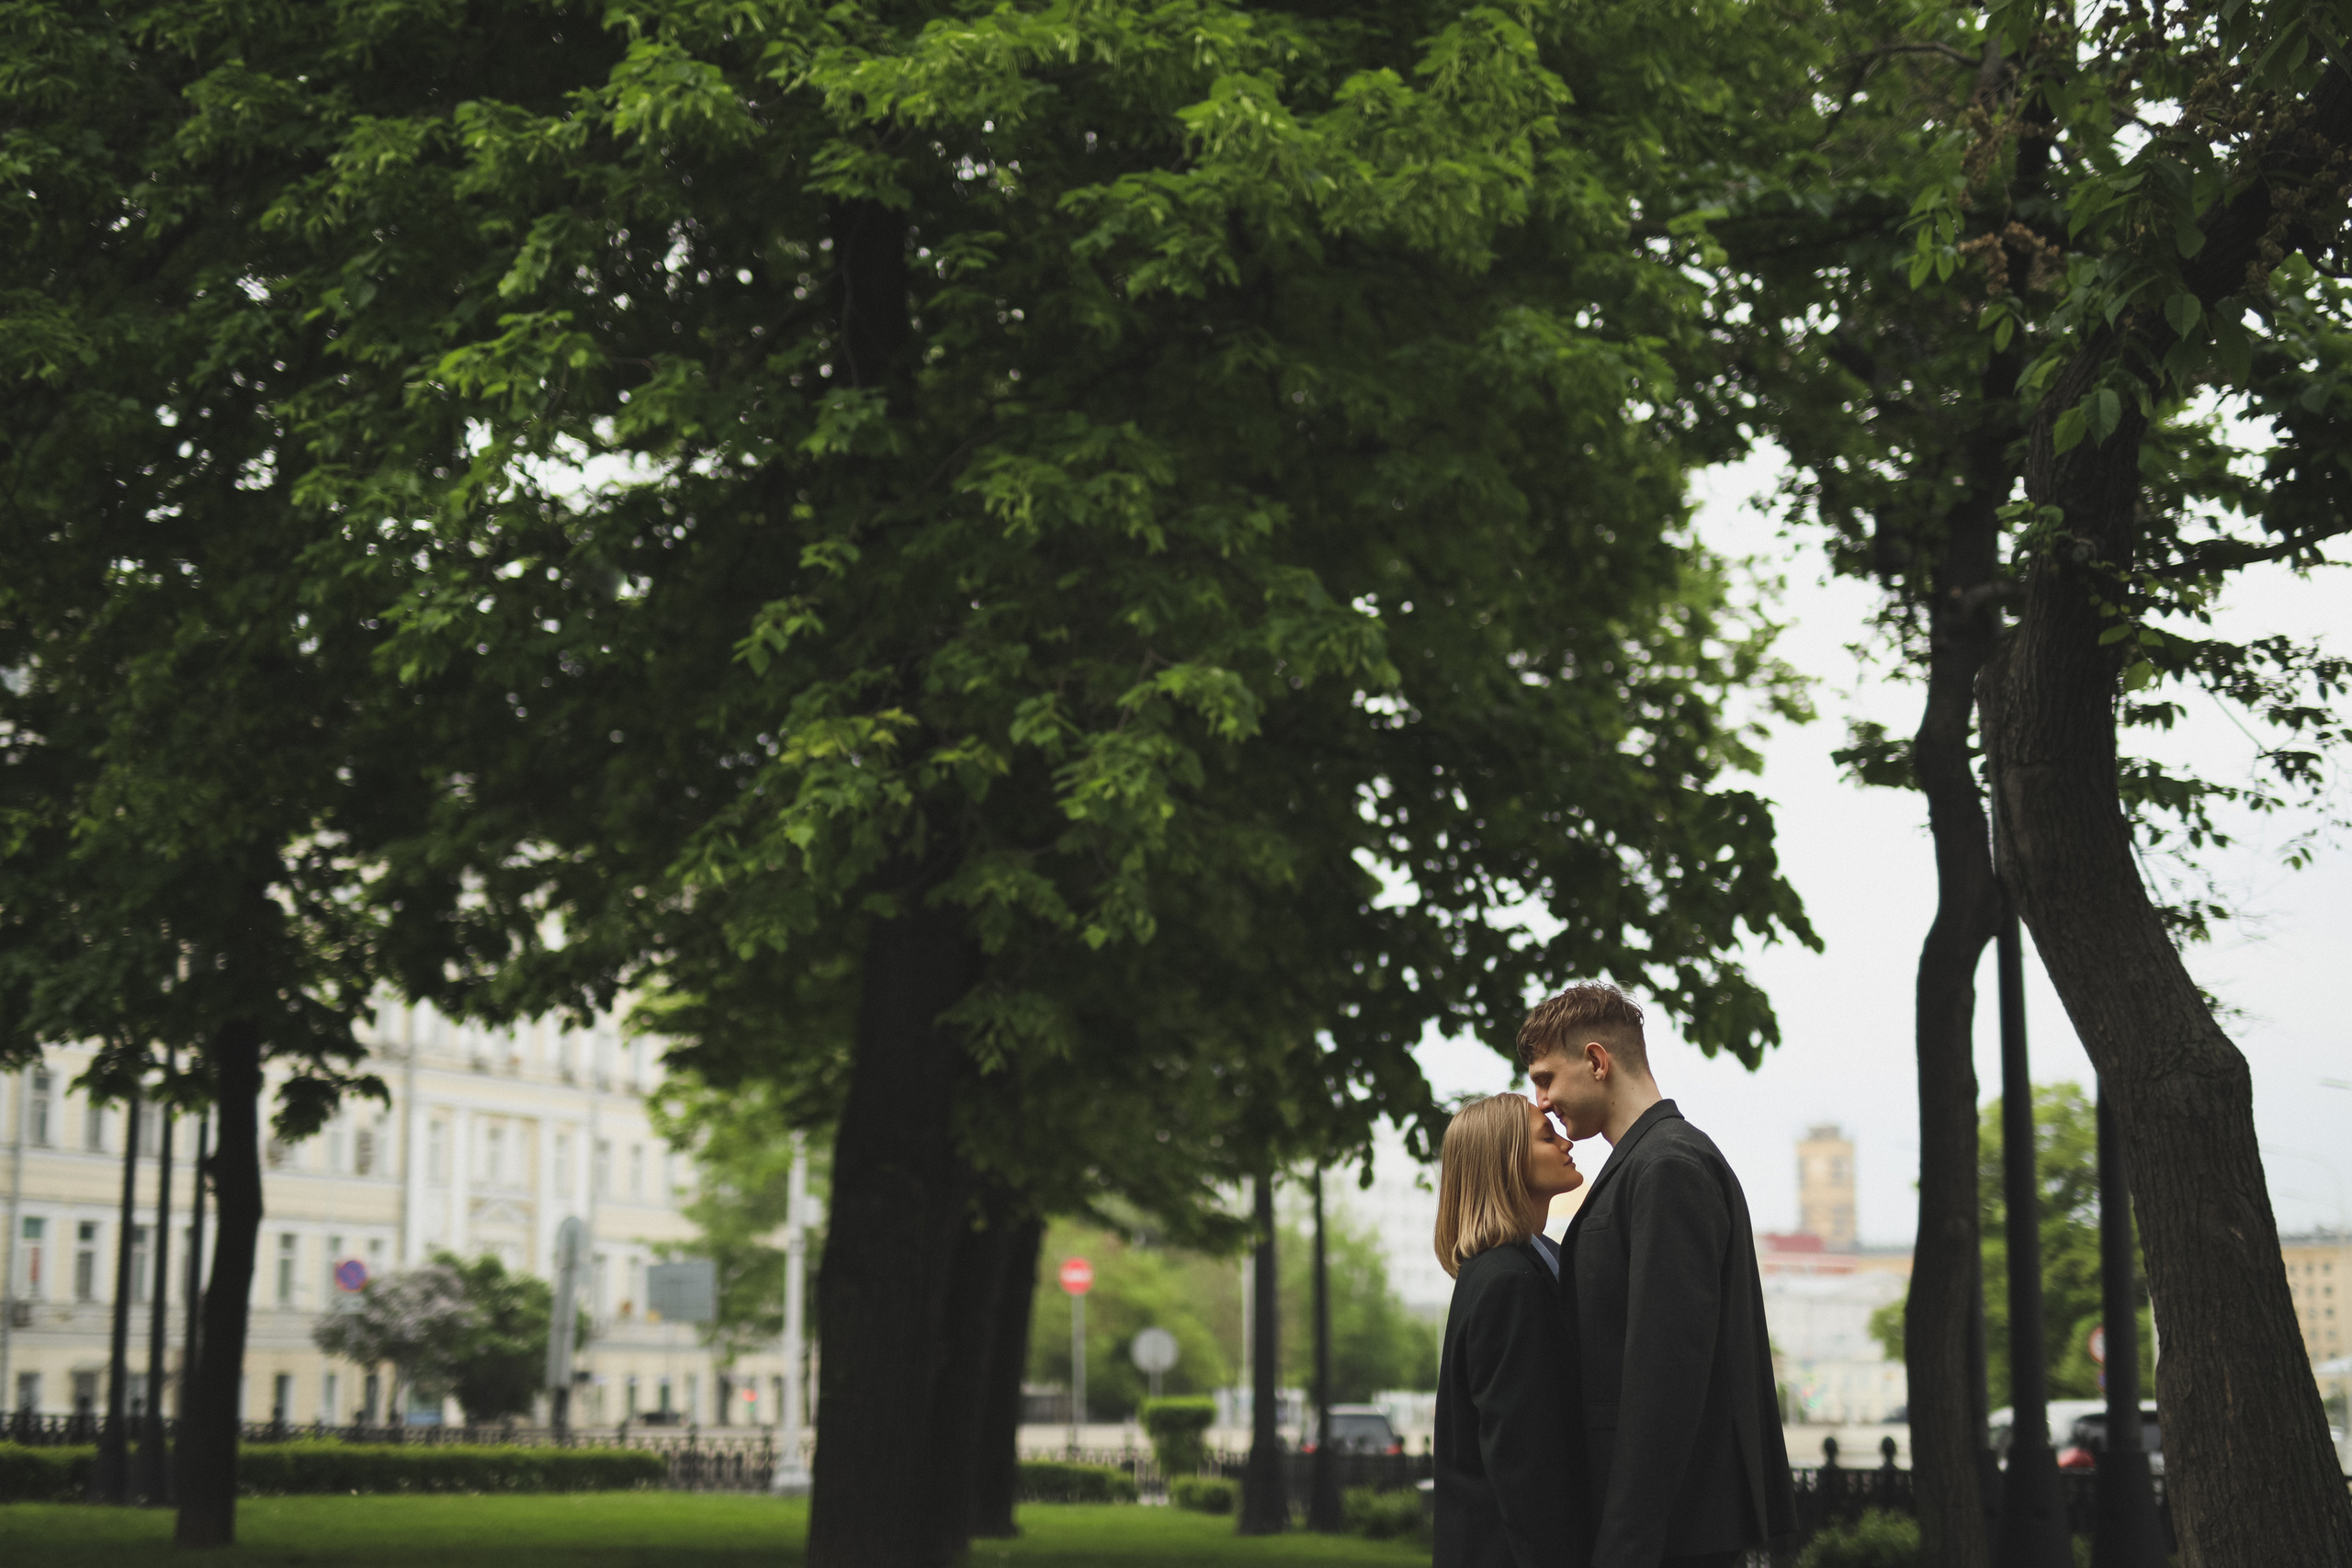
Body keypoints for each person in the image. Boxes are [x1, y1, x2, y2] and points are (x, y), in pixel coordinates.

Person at [1523, 983, 1793, 1568]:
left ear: (1596, 1061)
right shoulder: (1652, 1163)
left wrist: (1625, 1547)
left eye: (1545, 1078)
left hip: (1678, 1535)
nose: (1540, 1101)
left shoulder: (1667, 1166)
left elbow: (1664, 1373)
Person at [1431, 1092, 1589, 1568]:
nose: (1567, 1143)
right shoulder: (1508, 1282)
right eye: (1547, 1136)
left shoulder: (1509, 1269)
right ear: (1506, 1163)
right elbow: (1527, 1468)